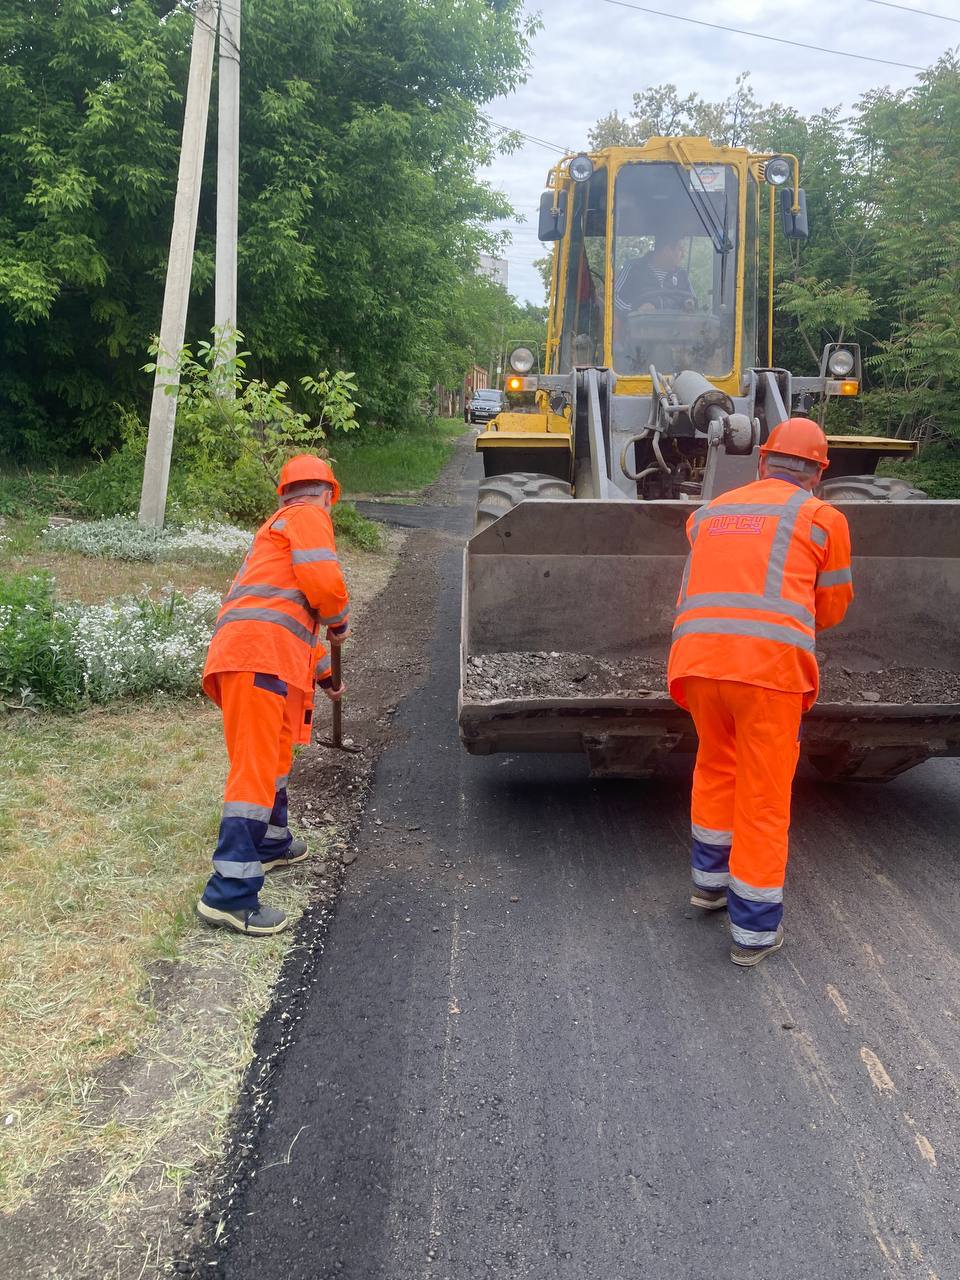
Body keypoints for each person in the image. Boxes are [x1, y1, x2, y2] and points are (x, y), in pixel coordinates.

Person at [667, 419, 853, 967]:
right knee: (764, 795)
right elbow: (833, 606)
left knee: (716, 767)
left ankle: (709, 885)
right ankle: (753, 932)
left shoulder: (709, 514)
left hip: (697, 663)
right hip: (766, 672)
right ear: (819, 472)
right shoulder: (823, 520)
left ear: (761, 462)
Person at [196, 455, 350, 937]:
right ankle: (228, 894)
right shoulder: (307, 518)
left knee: (275, 755)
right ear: (326, 494)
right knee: (256, 768)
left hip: (262, 653)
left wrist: (325, 676)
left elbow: (292, 616)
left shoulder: (279, 531)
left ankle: (271, 842)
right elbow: (324, 586)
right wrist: (339, 619)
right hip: (256, 657)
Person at [614, 235, 696, 316]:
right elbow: (613, 297)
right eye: (680, 249)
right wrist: (636, 310)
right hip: (638, 327)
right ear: (667, 251)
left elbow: (693, 301)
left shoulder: (682, 275)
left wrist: (689, 303)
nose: (683, 255)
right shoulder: (633, 268)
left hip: (676, 328)